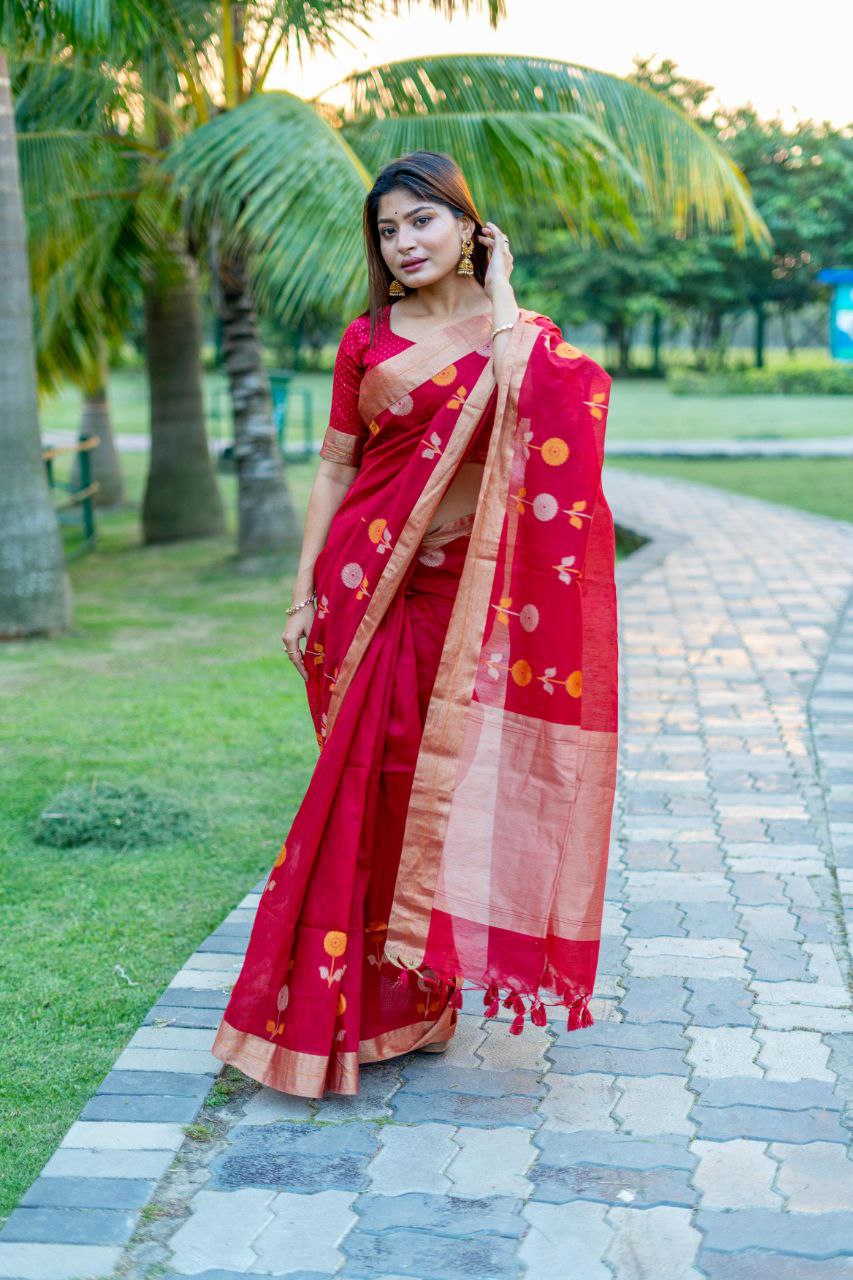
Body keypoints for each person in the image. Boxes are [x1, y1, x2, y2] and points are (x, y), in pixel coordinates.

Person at [211, 150, 618, 1099]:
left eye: (422, 221)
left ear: (469, 226)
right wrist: (303, 594)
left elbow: (543, 405)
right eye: (387, 230)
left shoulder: (521, 336)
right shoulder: (367, 339)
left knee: (424, 793)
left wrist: (502, 290)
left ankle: (416, 999)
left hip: (458, 602)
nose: (403, 243)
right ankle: (333, 1010)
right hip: (365, 591)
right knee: (358, 787)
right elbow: (336, 469)